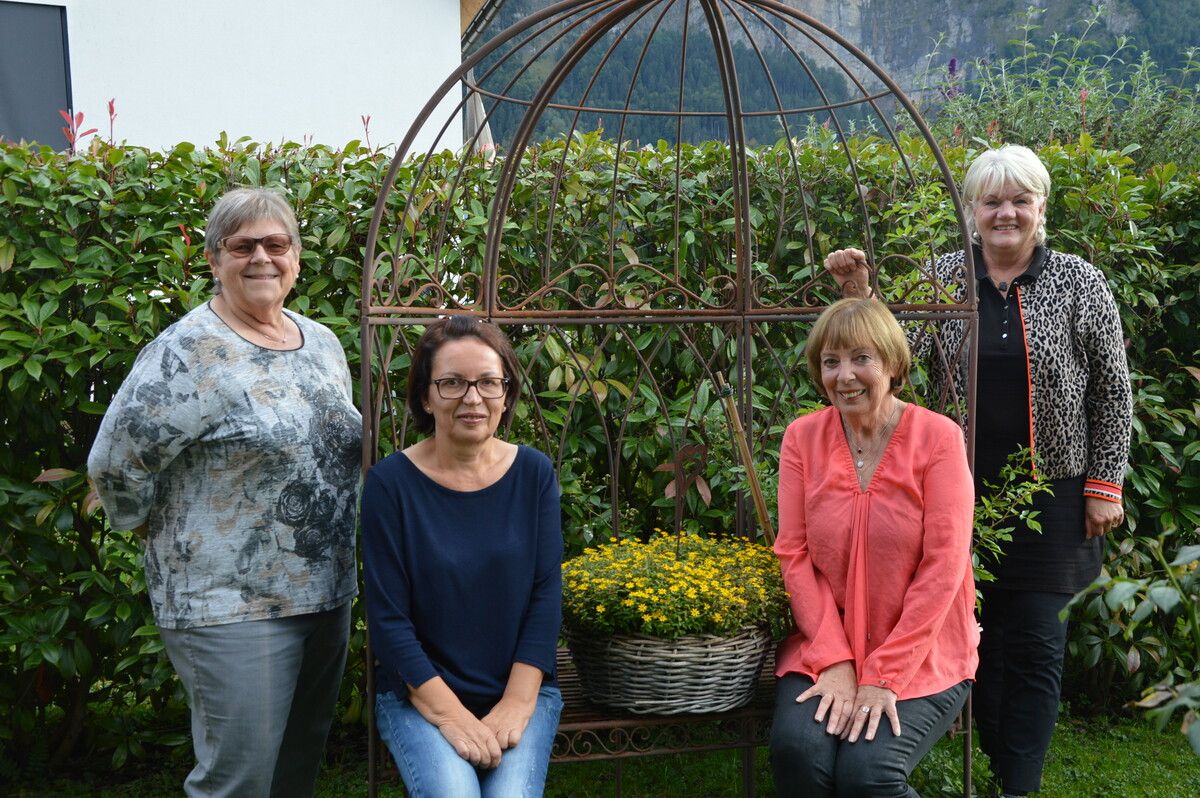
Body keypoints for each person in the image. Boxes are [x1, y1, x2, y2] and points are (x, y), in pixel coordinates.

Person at [824, 144, 1132, 797]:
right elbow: (889, 354)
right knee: (974, 645)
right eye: (992, 201)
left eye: (1020, 199)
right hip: (953, 493)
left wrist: (1105, 484)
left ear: (1041, 208)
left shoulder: (1080, 283)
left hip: (1054, 498)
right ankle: (983, 767)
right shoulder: (943, 280)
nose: (1006, 213)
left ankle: (1014, 787)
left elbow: (1113, 391)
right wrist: (861, 294)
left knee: (1036, 648)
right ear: (973, 209)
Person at [87, 187, 361, 797]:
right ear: (214, 259)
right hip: (228, 606)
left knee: (297, 769)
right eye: (243, 246)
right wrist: (153, 531)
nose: (261, 257)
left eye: (276, 244)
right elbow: (113, 463)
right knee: (238, 781)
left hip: (325, 595)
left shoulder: (320, 342)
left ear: (296, 257)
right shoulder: (187, 352)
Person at [770, 297, 979, 797]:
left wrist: (883, 675)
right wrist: (836, 662)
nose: (845, 376)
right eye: (831, 361)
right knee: (798, 753)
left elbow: (944, 566)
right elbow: (794, 553)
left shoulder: (938, 439)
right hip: (825, 644)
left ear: (891, 362)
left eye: (861, 358)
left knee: (867, 775)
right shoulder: (803, 438)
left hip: (920, 651)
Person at [361, 315, 563, 798]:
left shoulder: (533, 473)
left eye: (489, 382)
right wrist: (450, 716)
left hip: (520, 692)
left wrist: (516, 703)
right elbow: (388, 620)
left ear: (507, 394)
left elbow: (545, 592)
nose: (473, 399)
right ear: (426, 397)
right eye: (452, 383)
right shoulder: (390, 485)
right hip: (417, 696)